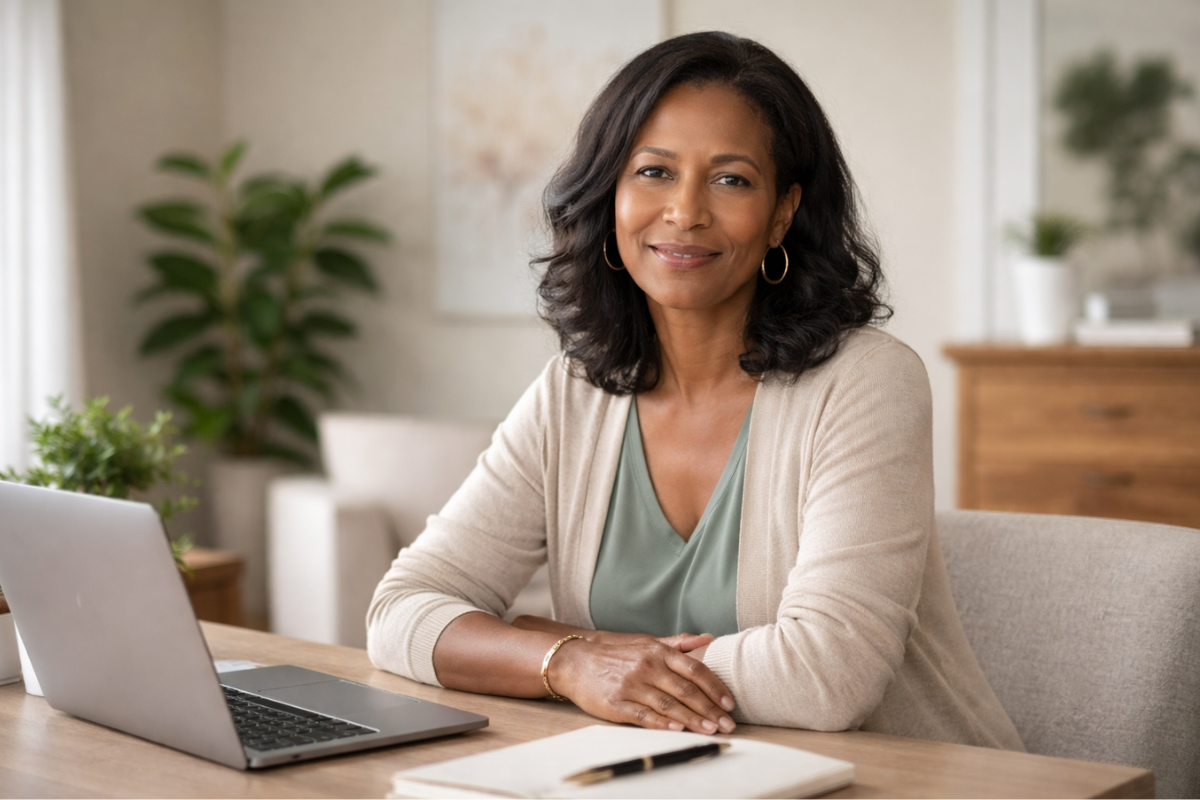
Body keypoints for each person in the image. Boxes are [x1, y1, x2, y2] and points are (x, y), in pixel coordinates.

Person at [368, 31, 1023, 750]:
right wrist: (570, 660)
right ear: (610, 195)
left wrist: (593, 657)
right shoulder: (573, 393)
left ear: (782, 213)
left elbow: (829, 674)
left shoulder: (866, 383)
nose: (685, 212)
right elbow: (401, 611)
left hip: (907, 780)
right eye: (653, 171)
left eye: (731, 180)